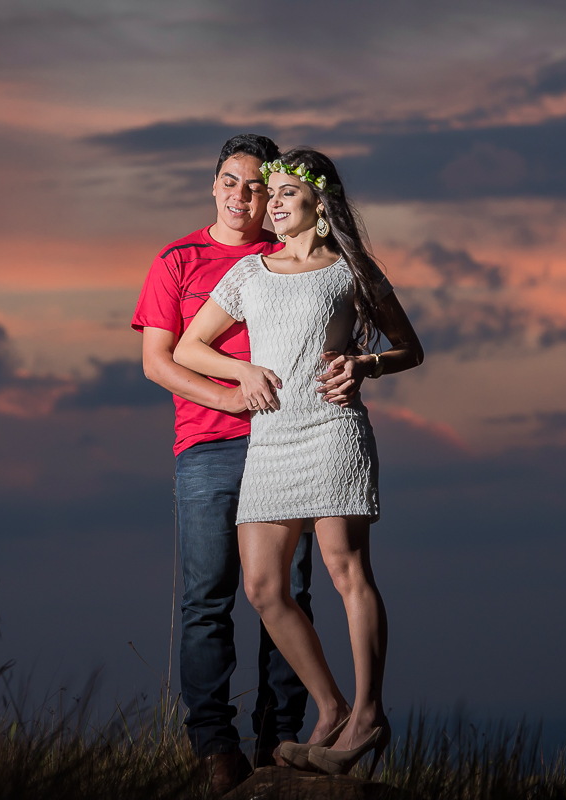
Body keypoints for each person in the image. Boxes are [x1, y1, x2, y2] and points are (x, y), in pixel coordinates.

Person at [173, 147, 425, 777]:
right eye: (271, 193)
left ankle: (368, 714)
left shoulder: (351, 270)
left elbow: (409, 348)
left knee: (346, 572)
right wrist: (243, 370)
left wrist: (364, 365)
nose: (271, 202)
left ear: (319, 203)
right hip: (270, 442)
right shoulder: (250, 274)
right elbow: (189, 347)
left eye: (285, 193)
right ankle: (331, 705)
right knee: (262, 586)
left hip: (333, 431)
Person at [132, 134, 360, 795]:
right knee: (208, 599)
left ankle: (281, 737)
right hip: (206, 446)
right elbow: (159, 361)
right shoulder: (178, 258)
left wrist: (356, 372)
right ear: (213, 186)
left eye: (257, 186)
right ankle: (214, 745)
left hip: (290, 440)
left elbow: (341, 331)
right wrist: (232, 393)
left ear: (274, 195)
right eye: (231, 181)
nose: (242, 195)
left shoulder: (287, 255)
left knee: (290, 594)